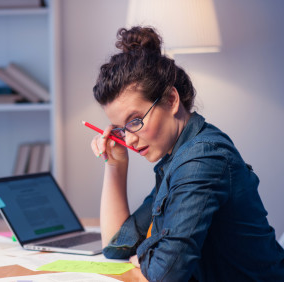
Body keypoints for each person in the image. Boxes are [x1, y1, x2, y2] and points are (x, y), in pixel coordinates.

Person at [90, 26, 284, 281]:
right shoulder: (176, 159)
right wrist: (115, 166)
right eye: (120, 128)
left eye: (135, 120)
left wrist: (146, 252)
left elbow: (166, 273)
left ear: (171, 100)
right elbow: (117, 246)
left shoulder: (201, 160)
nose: (129, 139)